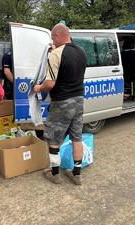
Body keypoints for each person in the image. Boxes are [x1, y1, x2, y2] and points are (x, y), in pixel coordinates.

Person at [33, 23, 87, 185]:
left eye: (52, 38)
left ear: (57, 36)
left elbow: (50, 84)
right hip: (79, 99)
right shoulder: (81, 51)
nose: (52, 41)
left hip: (62, 101)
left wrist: (38, 87)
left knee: (54, 137)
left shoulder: (56, 54)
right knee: (77, 137)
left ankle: (54, 173)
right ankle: (77, 174)